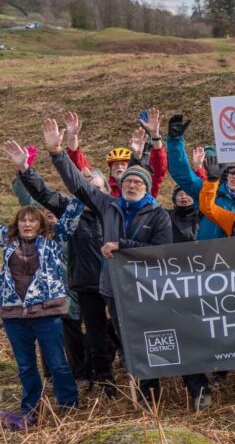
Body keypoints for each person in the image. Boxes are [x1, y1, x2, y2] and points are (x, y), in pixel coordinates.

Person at [42, 119, 193, 409]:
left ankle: (163, 393)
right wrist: (57, 153)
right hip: (114, 289)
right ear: (119, 187)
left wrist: (122, 246)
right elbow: (78, 185)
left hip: (148, 291)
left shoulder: (158, 214)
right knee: (128, 342)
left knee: (150, 340)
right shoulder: (107, 206)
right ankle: (141, 396)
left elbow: (160, 251)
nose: (132, 185)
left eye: (138, 182)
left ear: (146, 187)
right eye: (127, 182)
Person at [7, 141, 115, 397]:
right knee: (94, 338)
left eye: (97, 189)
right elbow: (42, 194)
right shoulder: (72, 211)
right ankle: (104, 383)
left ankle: (106, 370)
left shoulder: (115, 211)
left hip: (118, 284)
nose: (92, 195)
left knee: (118, 335)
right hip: (87, 284)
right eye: (88, 190)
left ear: (106, 191)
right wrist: (25, 169)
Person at [0, 200, 82, 423]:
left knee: (57, 362)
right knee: (26, 366)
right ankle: (30, 409)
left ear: (40, 223)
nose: (27, 224)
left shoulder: (52, 241)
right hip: (14, 314)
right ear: (17, 223)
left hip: (47, 313)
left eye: (33, 220)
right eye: (23, 220)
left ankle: (69, 405)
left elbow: (71, 216)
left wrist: (82, 186)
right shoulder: (8, 242)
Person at [166, 113, 235, 240]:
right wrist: (175, 140)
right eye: (232, 172)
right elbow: (181, 172)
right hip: (207, 254)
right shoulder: (206, 190)